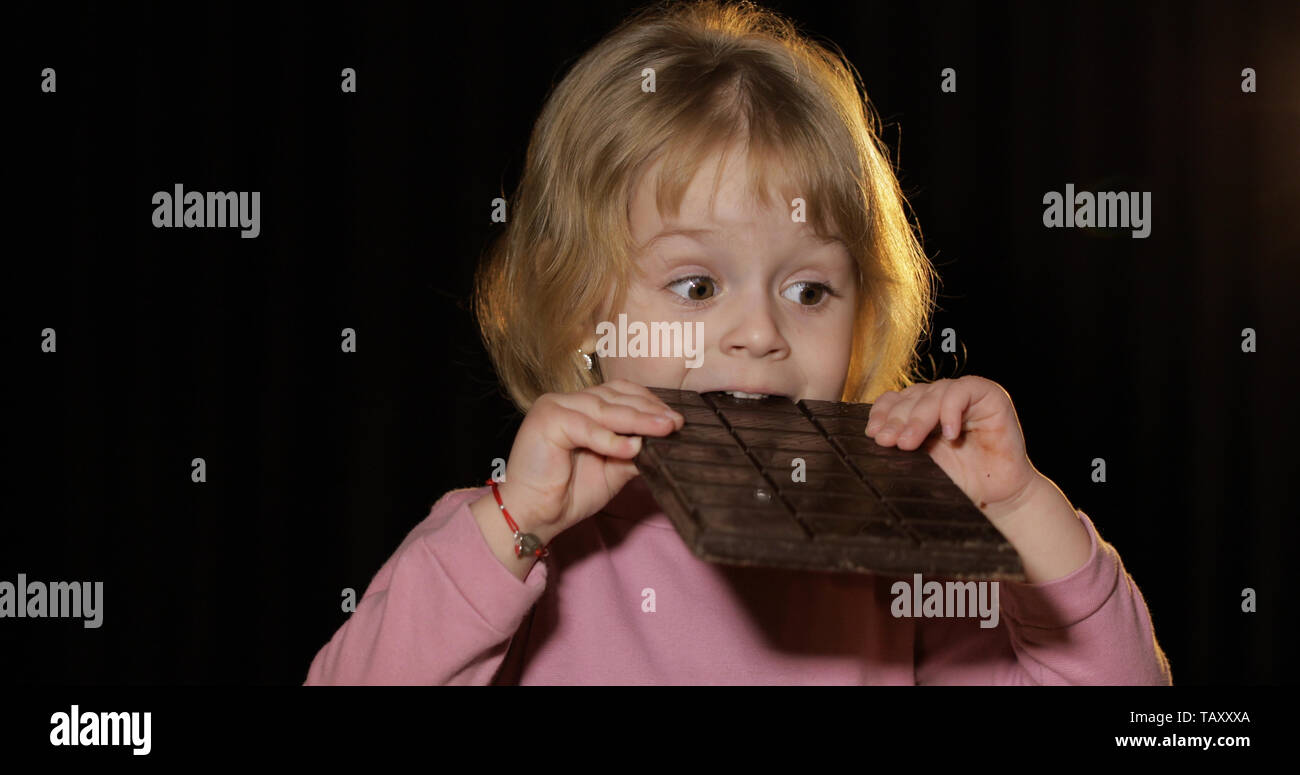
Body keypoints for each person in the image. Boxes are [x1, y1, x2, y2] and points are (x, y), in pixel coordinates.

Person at [304, 0, 1172, 685]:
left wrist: (1019, 507)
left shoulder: (895, 563)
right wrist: (514, 525)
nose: (760, 332)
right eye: (697, 286)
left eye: (810, 290)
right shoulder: (508, 538)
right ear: (579, 318)